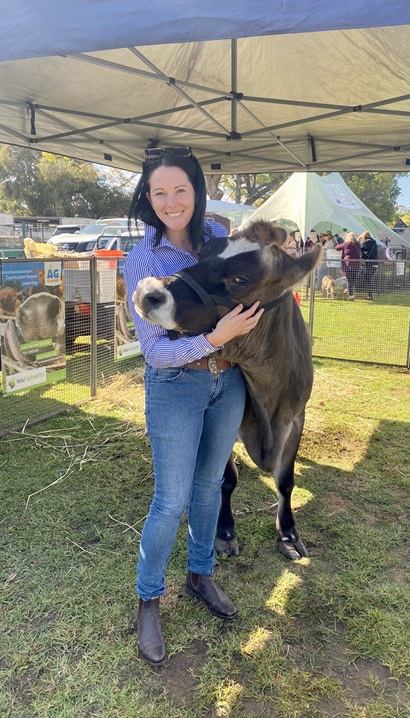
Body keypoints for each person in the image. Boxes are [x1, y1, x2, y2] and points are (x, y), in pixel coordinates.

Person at [123, 146, 264, 667]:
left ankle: (201, 574)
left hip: (228, 384)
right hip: (176, 386)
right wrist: (218, 336)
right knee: (172, 498)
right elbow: (156, 349)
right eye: (159, 191)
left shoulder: (219, 240)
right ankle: (149, 599)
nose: (170, 201)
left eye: (180, 189)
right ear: (148, 197)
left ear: (197, 191)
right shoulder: (142, 261)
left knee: (210, 486)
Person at [334, 231, 361, 299]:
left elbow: (337, 247)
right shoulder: (357, 244)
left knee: (349, 280)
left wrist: (336, 243)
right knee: (352, 280)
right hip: (356, 265)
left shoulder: (346, 243)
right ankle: (350, 293)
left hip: (348, 265)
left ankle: (350, 295)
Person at [358, 231, 378, 300]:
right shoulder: (374, 242)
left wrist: (358, 239)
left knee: (368, 279)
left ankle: (369, 296)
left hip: (368, 263)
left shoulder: (365, 242)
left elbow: (359, 248)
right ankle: (370, 295)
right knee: (370, 279)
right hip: (375, 263)